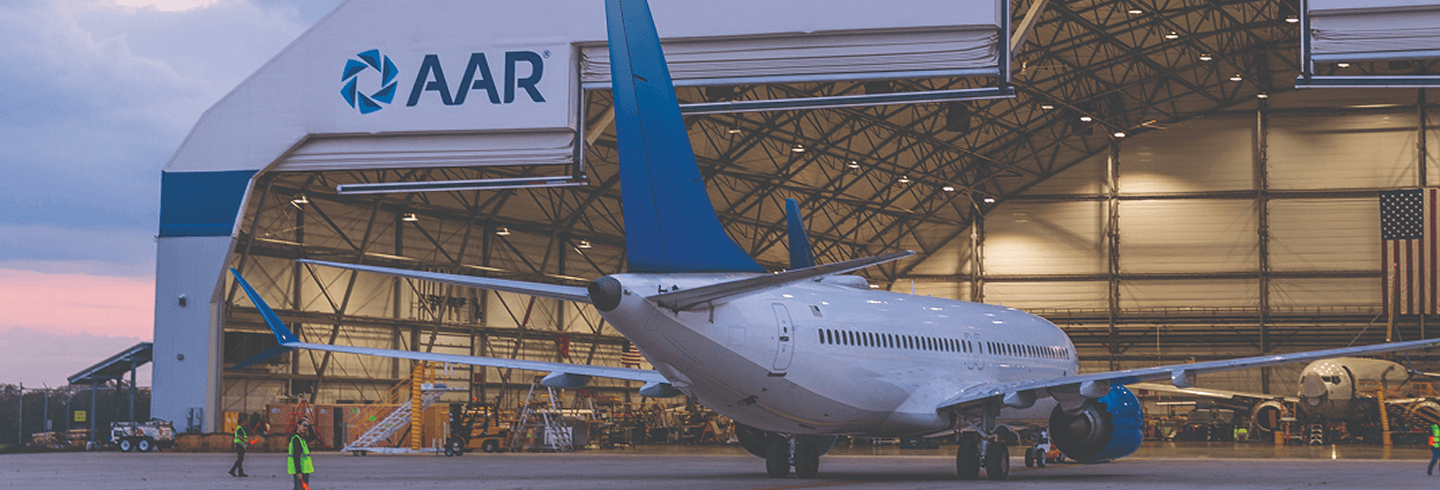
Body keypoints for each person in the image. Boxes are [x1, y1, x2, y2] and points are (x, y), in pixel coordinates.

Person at [289, 420, 315, 490]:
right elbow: (296, 456)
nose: (305, 428)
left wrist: (309, 425)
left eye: (306, 426)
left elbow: (312, 437)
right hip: (301, 471)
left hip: (304, 470)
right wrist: (298, 472)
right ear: (298, 425)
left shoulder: (302, 439)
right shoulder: (296, 439)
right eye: (304, 425)